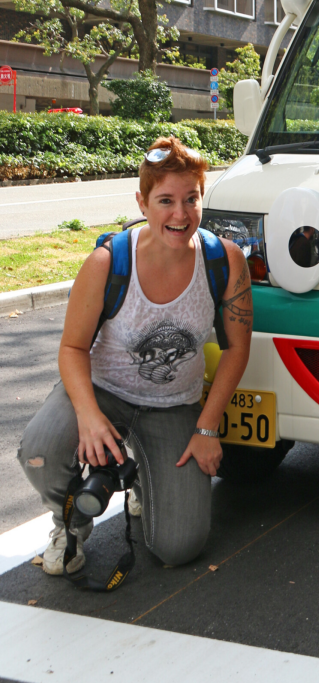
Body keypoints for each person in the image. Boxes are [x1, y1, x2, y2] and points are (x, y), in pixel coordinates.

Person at [18, 137, 252, 575]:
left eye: (191, 199)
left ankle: (146, 478)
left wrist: (207, 427)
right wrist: (88, 416)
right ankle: (69, 525)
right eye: (166, 200)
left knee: (179, 547)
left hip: (173, 405)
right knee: (41, 451)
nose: (180, 214)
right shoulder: (108, 262)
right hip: (103, 391)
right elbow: (72, 348)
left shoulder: (224, 261)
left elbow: (237, 347)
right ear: (143, 202)